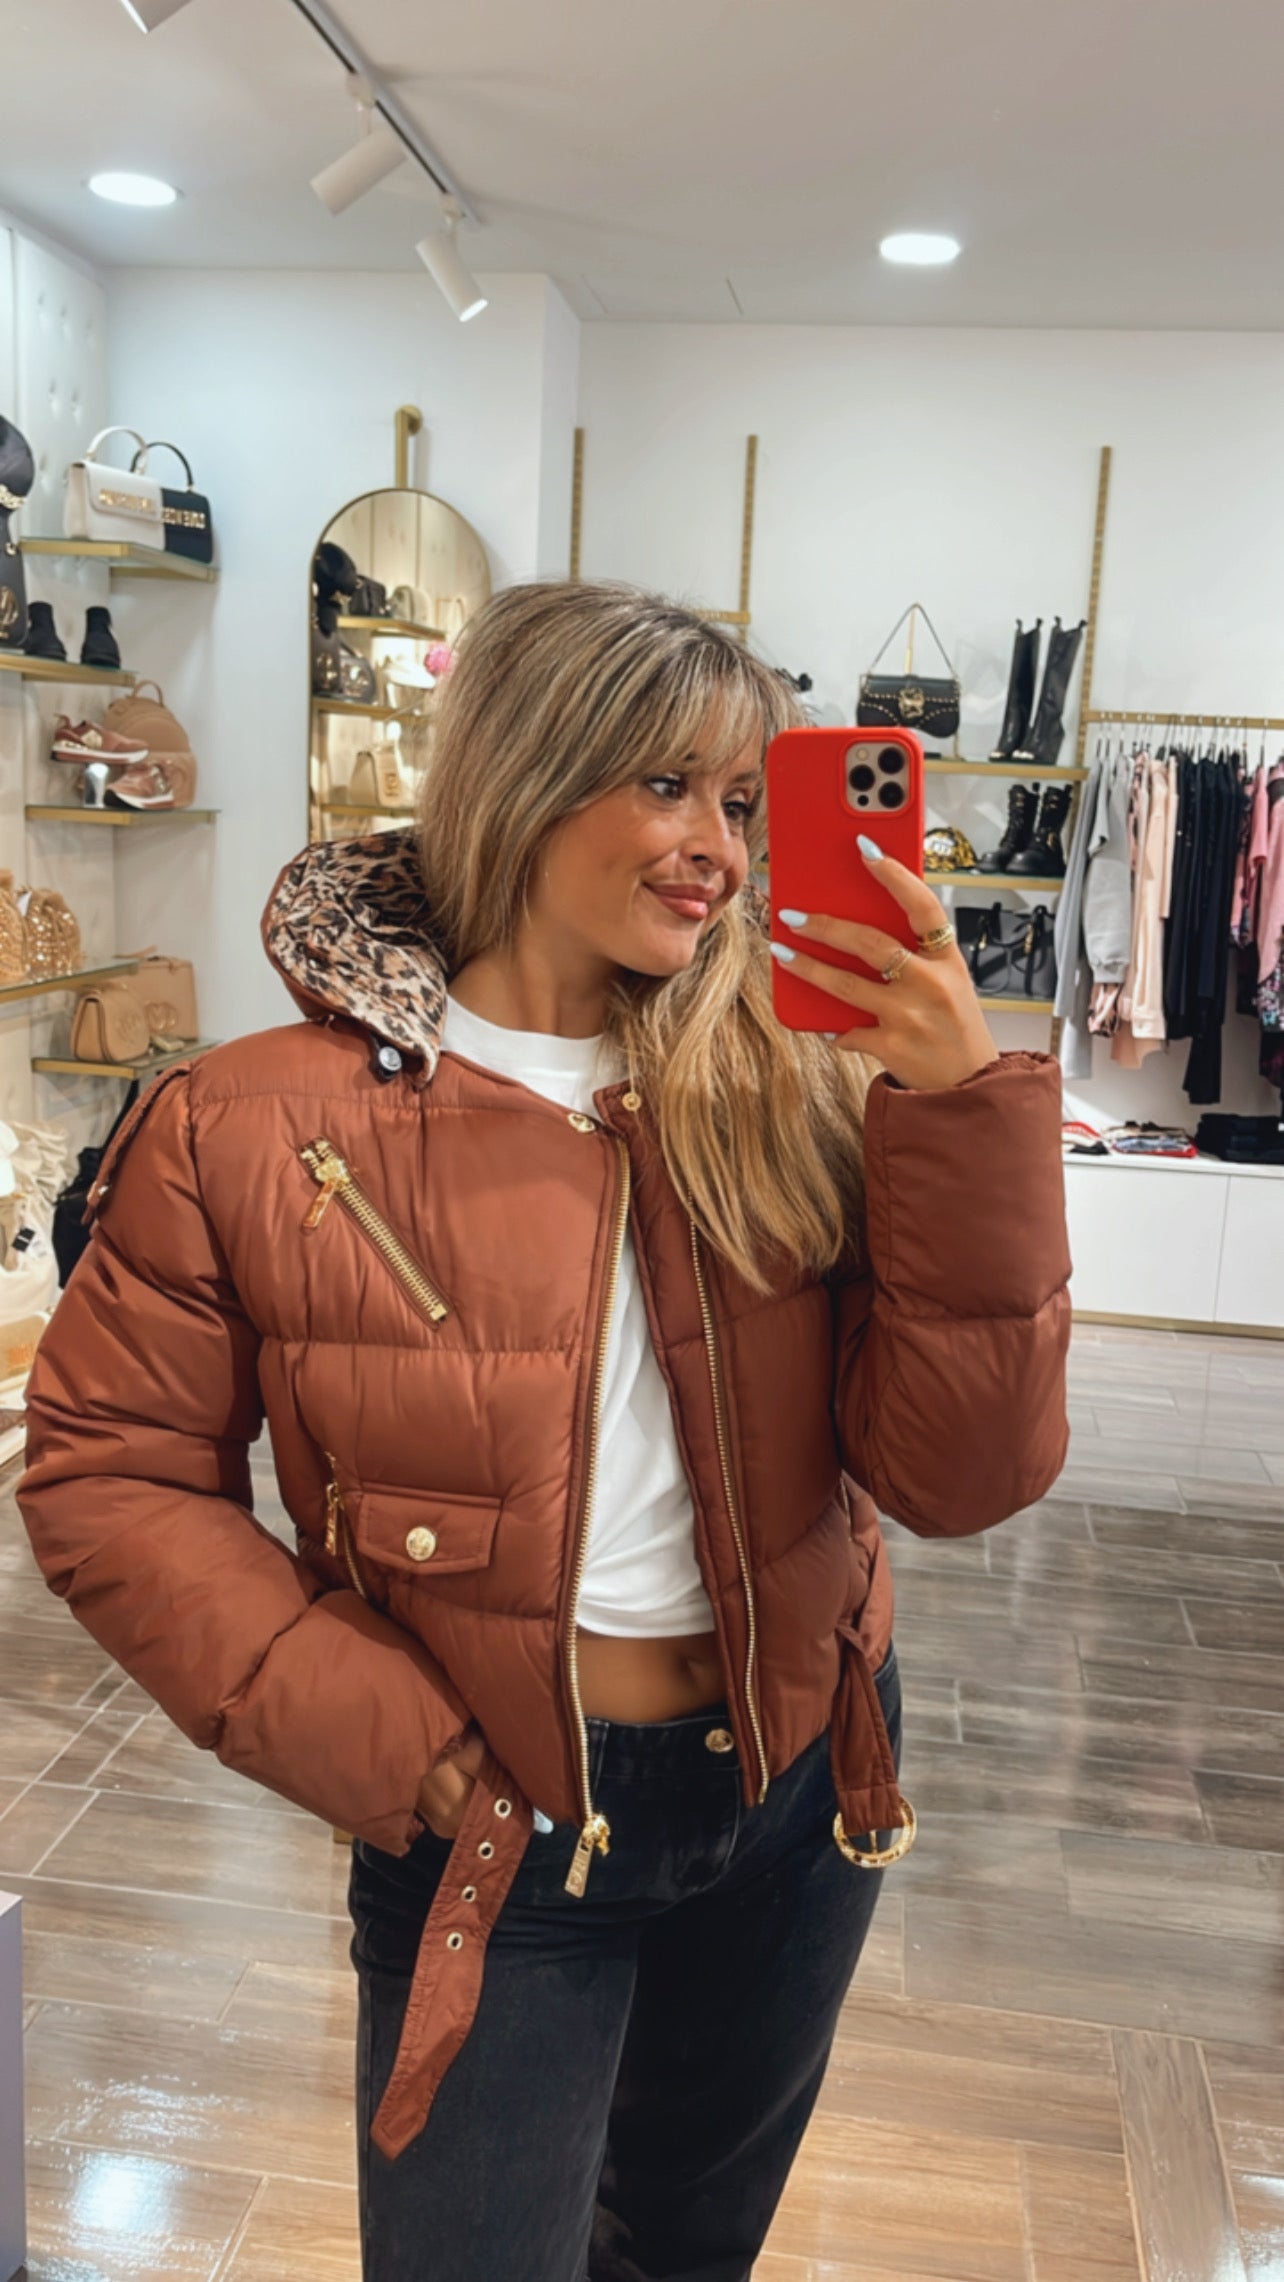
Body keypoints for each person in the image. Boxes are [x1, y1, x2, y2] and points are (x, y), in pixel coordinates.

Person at [19, 582, 1071, 2282]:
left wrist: (959, 1113)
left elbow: (962, 1475)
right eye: (664, 784)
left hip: (793, 1793)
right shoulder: (253, 1119)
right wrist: (390, 1738)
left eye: (743, 802)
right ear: (523, 769)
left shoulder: (796, 1086)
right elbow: (109, 1472)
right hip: (495, 1828)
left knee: (684, 2256)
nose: (717, 847)